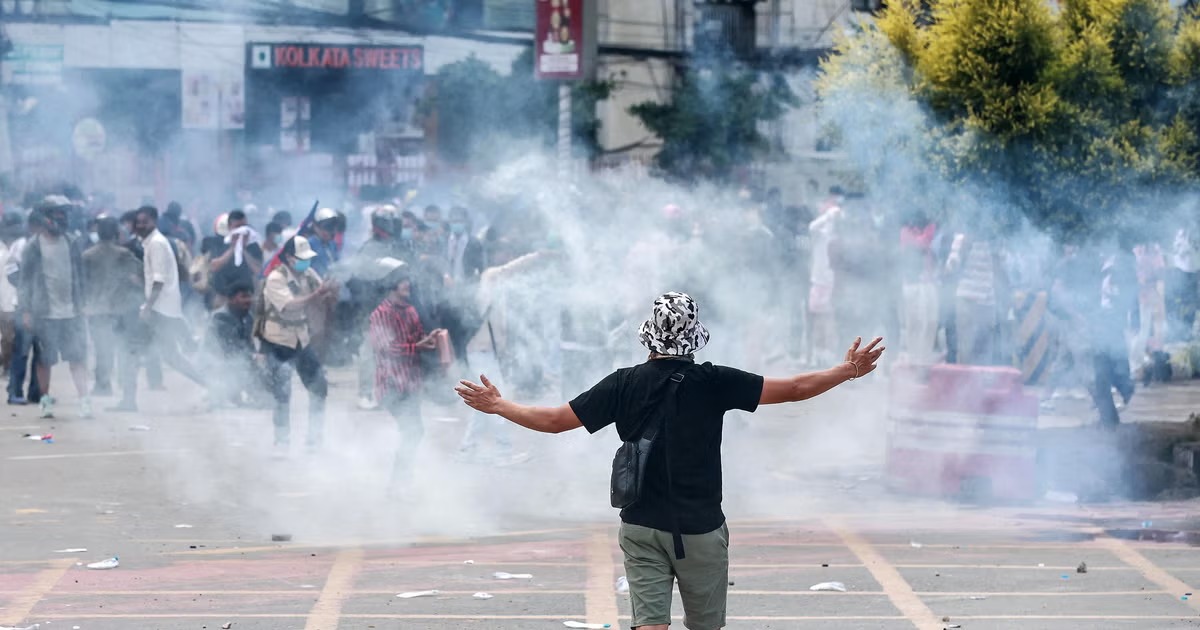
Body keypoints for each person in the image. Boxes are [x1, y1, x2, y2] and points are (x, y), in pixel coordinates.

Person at [456, 292, 885, 630]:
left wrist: (499, 406)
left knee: (649, 624)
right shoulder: (714, 381)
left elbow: (554, 422)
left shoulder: (623, 383)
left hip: (641, 526)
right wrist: (848, 369)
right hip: (701, 528)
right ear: (695, 337)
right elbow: (795, 389)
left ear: (648, 337)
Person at [110, 206, 207, 412]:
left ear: (154, 221)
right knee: (171, 357)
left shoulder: (156, 244)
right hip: (162, 310)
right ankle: (213, 386)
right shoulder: (154, 243)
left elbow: (159, 279)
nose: (140, 226)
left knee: (130, 351)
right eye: (138, 222)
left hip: (156, 310)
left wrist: (148, 306)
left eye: (144, 222)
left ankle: (128, 401)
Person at [258, 235, 337, 454]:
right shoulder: (276, 278)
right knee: (282, 390)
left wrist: (330, 292)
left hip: (301, 339)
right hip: (277, 340)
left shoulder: (308, 274)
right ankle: (281, 441)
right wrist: (316, 295)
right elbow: (290, 305)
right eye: (301, 258)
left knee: (319, 386)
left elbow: (321, 295)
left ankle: (314, 438)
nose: (306, 262)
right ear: (290, 258)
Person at [368, 261, 442, 490]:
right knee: (413, 431)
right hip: (391, 384)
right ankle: (398, 484)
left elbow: (417, 338)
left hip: (411, 383)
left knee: (414, 432)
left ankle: (402, 481)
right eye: (402, 280)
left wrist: (430, 339)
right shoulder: (380, 314)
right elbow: (386, 349)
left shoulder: (410, 310)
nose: (408, 284)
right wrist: (417, 346)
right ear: (391, 284)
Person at [18, 197, 92, 418]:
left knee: (78, 358)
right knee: (44, 360)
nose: (61, 218)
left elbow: (81, 275)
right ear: (45, 217)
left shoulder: (72, 242)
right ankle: (45, 401)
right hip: (44, 313)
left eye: (64, 213)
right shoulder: (33, 247)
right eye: (56, 213)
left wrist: (83, 303)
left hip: (72, 312)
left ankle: (84, 401)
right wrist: (26, 311)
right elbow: (24, 281)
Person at [82, 216, 142, 397]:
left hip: (97, 308)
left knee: (102, 348)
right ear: (116, 233)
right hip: (120, 308)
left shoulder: (88, 255)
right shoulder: (124, 254)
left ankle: (103, 385)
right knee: (122, 346)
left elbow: (82, 283)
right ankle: (124, 383)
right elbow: (138, 274)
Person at [205, 281, 261, 407]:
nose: (248, 300)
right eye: (244, 297)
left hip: (236, 360)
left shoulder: (247, 316)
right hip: (216, 362)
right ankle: (227, 395)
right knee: (239, 363)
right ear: (231, 299)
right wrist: (252, 358)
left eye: (250, 296)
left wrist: (257, 357)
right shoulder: (220, 317)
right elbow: (228, 349)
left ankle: (253, 394)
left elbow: (249, 344)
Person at [4, 211, 39, 405]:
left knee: (42, 353)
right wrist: (27, 287)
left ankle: (36, 391)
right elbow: (11, 272)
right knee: (22, 350)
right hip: (25, 305)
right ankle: (14, 391)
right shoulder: (21, 245)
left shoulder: (50, 245)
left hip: (45, 308)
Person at [0, 212, 25, 375]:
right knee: (6, 336)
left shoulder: (23, 246)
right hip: (3, 296)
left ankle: (9, 366)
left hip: (16, 298)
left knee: (11, 337)